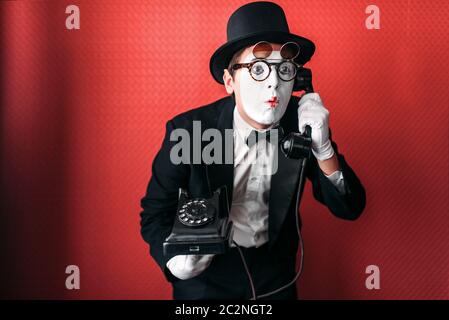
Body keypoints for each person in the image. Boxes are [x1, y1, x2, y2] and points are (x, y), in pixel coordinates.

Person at [140, 1, 366, 300]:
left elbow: (350, 208)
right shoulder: (189, 131)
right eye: (258, 68)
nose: (273, 82)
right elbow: (155, 214)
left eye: (284, 68)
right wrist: (173, 260)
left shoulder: (303, 123)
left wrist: (323, 150)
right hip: (205, 282)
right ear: (229, 81)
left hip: (276, 280)